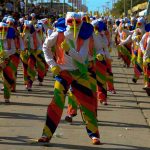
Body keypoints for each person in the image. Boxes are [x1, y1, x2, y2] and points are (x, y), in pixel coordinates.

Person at [37, 12, 101, 145]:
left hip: (80, 72)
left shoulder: (86, 36)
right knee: (56, 102)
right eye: (70, 21)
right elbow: (45, 46)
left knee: (88, 103)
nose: (74, 25)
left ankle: (94, 135)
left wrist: (68, 50)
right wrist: (52, 64)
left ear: (81, 22)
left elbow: (82, 58)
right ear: (66, 22)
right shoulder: (58, 34)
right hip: (63, 73)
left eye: (77, 22)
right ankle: (46, 134)